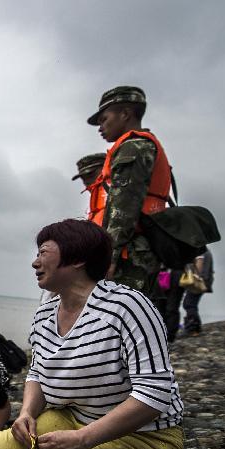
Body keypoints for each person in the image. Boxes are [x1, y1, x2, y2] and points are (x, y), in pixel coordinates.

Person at [0, 219, 183, 449]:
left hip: (144, 439)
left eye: (43, 252)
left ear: (77, 259)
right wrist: (26, 413)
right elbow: (37, 372)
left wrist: (83, 440)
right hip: (74, 418)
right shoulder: (45, 314)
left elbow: (154, 393)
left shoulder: (128, 307)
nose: (35, 262)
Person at [86, 86, 174, 298]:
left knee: (115, 319)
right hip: (133, 248)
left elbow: (124, 207)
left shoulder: (134, 147)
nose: (100, 127)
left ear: (125, 114)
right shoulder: (139, 145)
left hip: (129, 253)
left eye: (104, 119)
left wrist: (109, 256)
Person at [182, 249, 214, 336]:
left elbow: (199, 262)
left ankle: (193, 328)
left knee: (189, 304)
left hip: (198, 282)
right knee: (188, 303)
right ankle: (194, 327)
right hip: (203, 281)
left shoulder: (200, 250)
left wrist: (195, 277)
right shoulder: (206, 251)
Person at [72, 153, 107, 225]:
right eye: (83, 178)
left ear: (106, 168)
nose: (86, 181)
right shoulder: (91, 204)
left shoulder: (120, 190)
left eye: (90, 175)